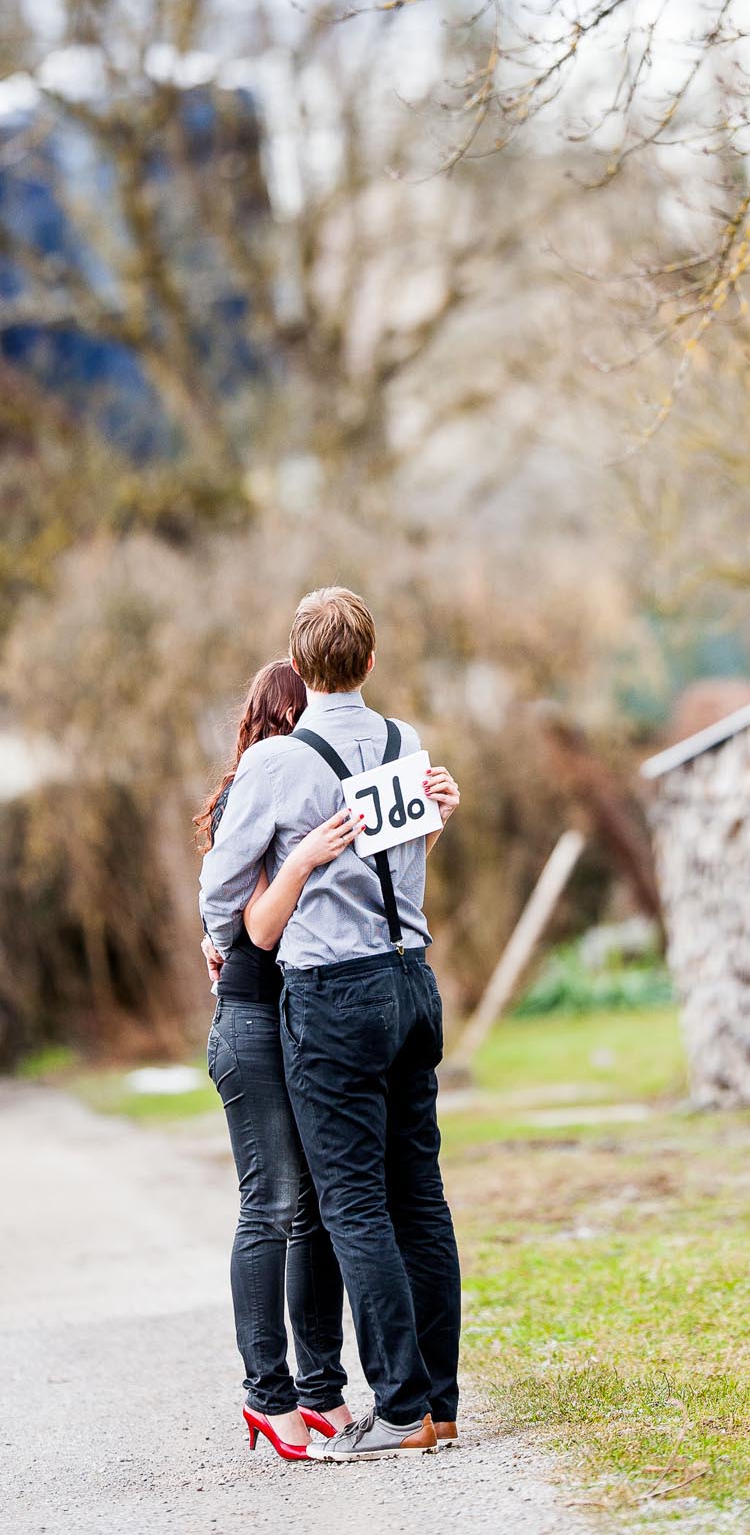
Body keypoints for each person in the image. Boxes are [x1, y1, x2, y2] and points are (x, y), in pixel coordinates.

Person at [200, 587, 462, 1463]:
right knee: (419, 1199)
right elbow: (404, 867)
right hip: (412, 979)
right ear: (371, 661)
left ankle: (395, 1409)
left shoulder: (278, 764)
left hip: (333, 994)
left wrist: (218, 933)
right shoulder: (405, 743)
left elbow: (220, 890)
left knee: (352, 1204)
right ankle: (440, 1402)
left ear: (300, 664)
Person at [195, 659, 360, 1463]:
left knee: (319, 1212)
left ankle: (320, 1391)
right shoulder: (258, 794)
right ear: (285, 722)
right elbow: (241, 919)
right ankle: (268, 1397)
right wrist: (298, 867)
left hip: (299, 1019)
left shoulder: (310, 795)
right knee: (271, 1204)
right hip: (253, 1023)